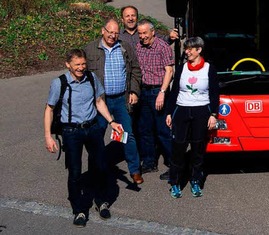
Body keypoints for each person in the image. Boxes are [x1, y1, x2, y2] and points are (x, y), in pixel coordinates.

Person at [44, 49, 124, 227]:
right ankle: (79, 209)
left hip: (93, 128)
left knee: (100, 166)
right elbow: (49, 109)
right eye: (77, 65)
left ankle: (101, 201)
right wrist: (48, 136)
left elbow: (99, 102)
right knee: (75, 173)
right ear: (68, 65)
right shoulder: (60, 83)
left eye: (83, 64)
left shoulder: (91, 78)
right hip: (72, 132)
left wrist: (112, 121)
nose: (81, 68)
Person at [84, 17, 144, 185]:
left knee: (127, 135)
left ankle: (134, 170)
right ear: (103, 31)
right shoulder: (90, 49)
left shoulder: (125, 48)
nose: (112, 36)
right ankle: (98, 170)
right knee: (97, 136)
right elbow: (80, 72)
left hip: (120, 100)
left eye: (116, 33)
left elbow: (135, 71)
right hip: (100, 101)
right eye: (110, 32)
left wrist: (134, 90)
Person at [165, 36, 220, 198]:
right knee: (178, 148)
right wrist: (169, 112)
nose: (186, 52)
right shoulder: (182, 68)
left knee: (197, 149)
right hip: (182, 110)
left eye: (190, 49)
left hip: (201, 112)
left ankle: (195, 180)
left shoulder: (209, 69)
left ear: (199, 50)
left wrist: (213, 114)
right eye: (185, 48)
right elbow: (174, 91)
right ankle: (175, 182)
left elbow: (214, 93)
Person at [136, 19, 174, 180]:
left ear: (153, 32)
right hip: (143, 92)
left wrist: (162, 92)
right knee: (145, 130)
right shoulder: (138, 46)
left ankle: (175, 164)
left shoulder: (162, 47)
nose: (142, 36)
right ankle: (149, 162)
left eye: (145, 33)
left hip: (158, 92)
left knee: (163, 131)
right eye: (140, 33)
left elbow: (169, 71)